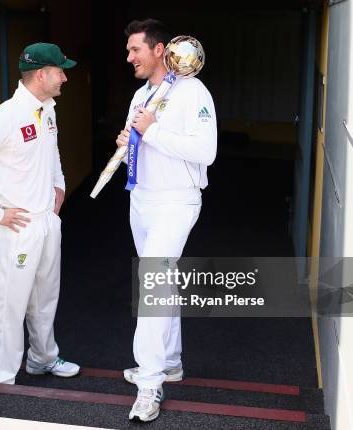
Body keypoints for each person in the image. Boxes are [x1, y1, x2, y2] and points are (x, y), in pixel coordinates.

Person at [0, 42, 80, 385]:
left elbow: (52, 156)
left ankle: (42, 359)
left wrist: (60, 187)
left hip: (46, 222)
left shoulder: (48, 109)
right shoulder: (5, 116)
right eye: (59, 72)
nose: (65, 78)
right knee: (10, 304)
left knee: (45, 297)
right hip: (18, 227)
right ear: (41, 74)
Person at [116, 19, 217, 422]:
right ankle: (170, 362)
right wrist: (128, 142)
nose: (129, 57)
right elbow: (138, 140)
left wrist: (152, 131)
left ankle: (150, 383)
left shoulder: (193, 91)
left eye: (134, 50)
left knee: (152, 286)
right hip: (141, 200)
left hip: (177, 203)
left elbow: (205, 151)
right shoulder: (141, 93)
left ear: (159, 50)